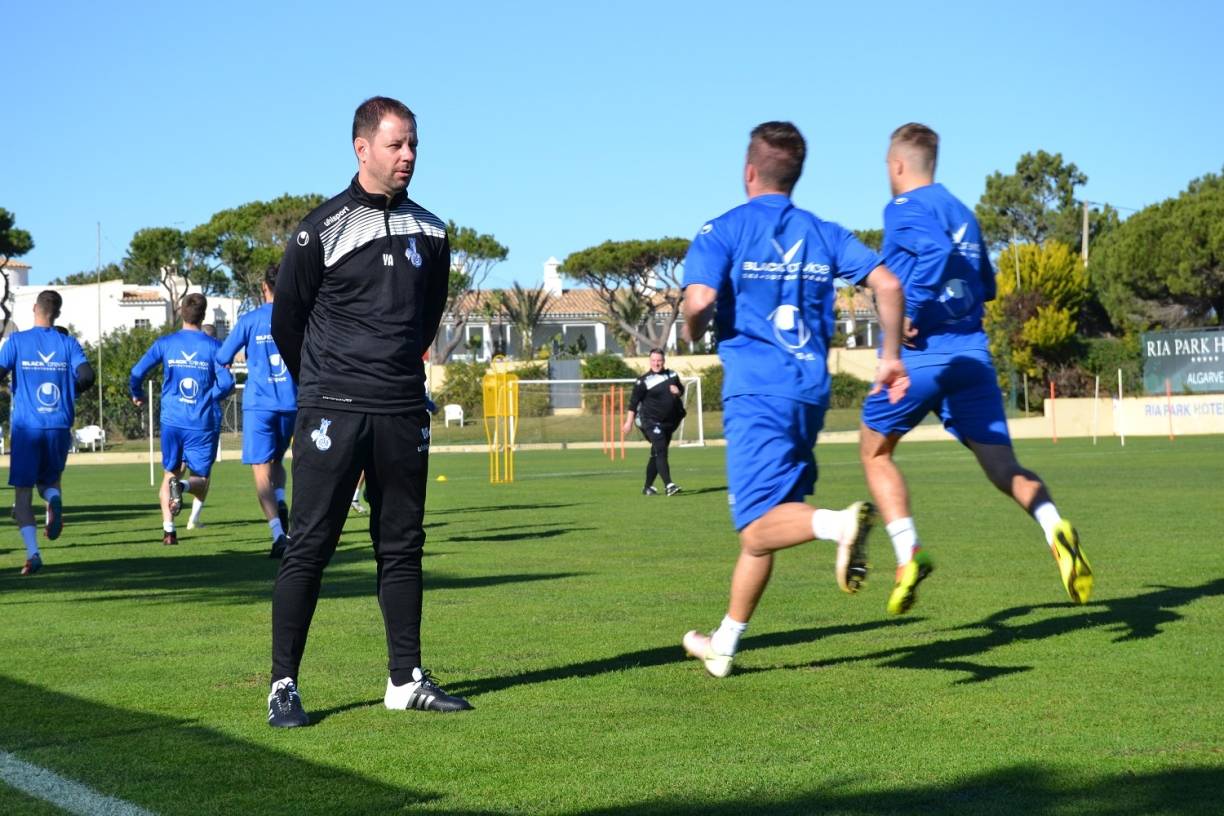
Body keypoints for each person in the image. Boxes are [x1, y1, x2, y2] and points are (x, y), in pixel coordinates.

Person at [266, 95, 469, 728]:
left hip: (402, 410)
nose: (408, 156)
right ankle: (282, 685)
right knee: (310, 546)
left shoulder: (432, 232)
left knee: (402, 546)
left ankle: (405, 679)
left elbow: (426, 316)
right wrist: (322, 385)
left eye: (414, 145)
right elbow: (286, 323)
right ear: (362, 149)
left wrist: (397, 375)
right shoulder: (320, 228)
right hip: (332, 408)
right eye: (395, 145)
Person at [679, 122, 908, 678]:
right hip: (809, 392)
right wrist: (890, 356)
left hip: (757, 391)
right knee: (769, 528)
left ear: (749, 170)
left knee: (756, 526)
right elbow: (888, 285)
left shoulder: (723, 229)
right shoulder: (822, 232)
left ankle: (837, 525)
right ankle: (724, 644)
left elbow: (699, 302)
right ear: (794, 174)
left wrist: (692, 324)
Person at [859, 123, 1092, 615]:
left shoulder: (903, 208)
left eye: (886, 163)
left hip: (923, 355)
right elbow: (986, 284)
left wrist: (909, 316)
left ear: (898, 164)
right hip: (973, 355)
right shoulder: (962, 211)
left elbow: (935, 256)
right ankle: (1054, 526)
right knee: (1004, 467)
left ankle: (908, 556)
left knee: (875, 452)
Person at [0, 291, 94, 575]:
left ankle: (33, 553)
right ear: (58, 314)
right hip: (58, 425)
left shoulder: (16, 341)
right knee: (49, 480)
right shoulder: (68, 343)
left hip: (27, 427)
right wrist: (69, 391)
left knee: (23, 496)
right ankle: (53, 497)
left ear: (34, 309)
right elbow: (87, 376)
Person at [130, 293, 235, 546]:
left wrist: (137, 393)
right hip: (201, 423)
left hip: (172, 421)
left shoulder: (165, 343)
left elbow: (136, 372)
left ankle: (168, 531)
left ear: (181, 312)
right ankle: (184, 487)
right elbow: (228, 383)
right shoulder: (213, 347)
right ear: (204, 315)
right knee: (201, 480)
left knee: (169, 474)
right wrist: (210, 396)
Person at [216, 264, 297, 558]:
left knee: (261, 468)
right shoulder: (298, 316)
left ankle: (278, 534)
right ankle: (281, 499)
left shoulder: (250, 320)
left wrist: (224, 383)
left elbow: (222, 357)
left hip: (259, 404)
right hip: (291, 403)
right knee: (278, 461)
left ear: (264, 287)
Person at [621, 348, 686, 496]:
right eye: (654, 361)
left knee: (656, 453)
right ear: (650, 361)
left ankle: (647, 487)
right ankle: (669, 485)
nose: (656, 363)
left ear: (664, 361)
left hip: (669, 422)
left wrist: (678, 391)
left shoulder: (672, 375)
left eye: (659, 360)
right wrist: (628, 422)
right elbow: (633, 404)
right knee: (661, 449)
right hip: (650, 421)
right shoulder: (643, 381)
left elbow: (680, 390)